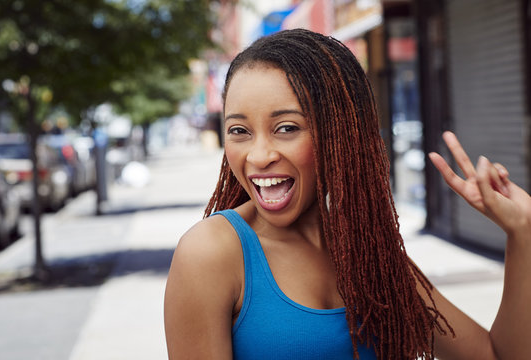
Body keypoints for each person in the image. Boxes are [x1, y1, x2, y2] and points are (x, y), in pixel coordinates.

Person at [164, 29, 531, 359]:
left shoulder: (370, 254)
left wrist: (523, 233)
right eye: (240, 131)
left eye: (286, 127)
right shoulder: (210, 252)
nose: (259, 156)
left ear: (339, 134)